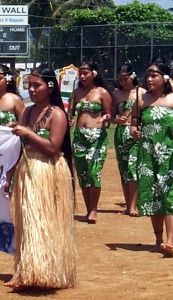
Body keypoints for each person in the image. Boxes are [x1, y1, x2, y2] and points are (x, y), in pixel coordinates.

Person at [6, 66, 77, 291]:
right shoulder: (27, 112)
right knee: (27, 220)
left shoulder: (57, 114)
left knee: (43, 220)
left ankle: (45, 269)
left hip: (47, 170)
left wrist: (28, 133)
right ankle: (26, 270)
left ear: (50, 86)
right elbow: (21, 144)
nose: (32, 90)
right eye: (29, 85)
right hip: (27, 171)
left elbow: (53, 147)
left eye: (36, 85)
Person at [130, 58, 173, 255]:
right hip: (148, 155)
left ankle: (170, 241)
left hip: (172, 154)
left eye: (154, 75)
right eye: (147, 75)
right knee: (153, 195)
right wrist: (134, 131)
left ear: (165, 78)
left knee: (171, 194)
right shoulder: (141, 100)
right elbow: (134, 123)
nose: (149, 79)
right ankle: (158, 240)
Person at [68, 60, 112, 224]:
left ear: (94, 74)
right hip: (79, 137)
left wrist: (105, 117)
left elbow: (109, 113)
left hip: (97, 137)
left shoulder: (102, 92)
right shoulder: (76, 93)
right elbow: (70, 113)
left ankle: (94, 208)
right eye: (80, 73)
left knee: (94, 172)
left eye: (85, 73)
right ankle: (88, 208)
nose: (82, 76)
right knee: (83, 174)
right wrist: (69, 120)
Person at [111, 64, 145, 216]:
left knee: (133, 169)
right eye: (120, 79)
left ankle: (134, 206)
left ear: (132, 77)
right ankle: (127, 205)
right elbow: (110, 117)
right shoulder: (116, 94)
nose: (122, 82)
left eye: (125, 79)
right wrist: (116, 119)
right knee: (124, 170)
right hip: (120, 134)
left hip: (136, 133)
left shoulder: (142, 93)